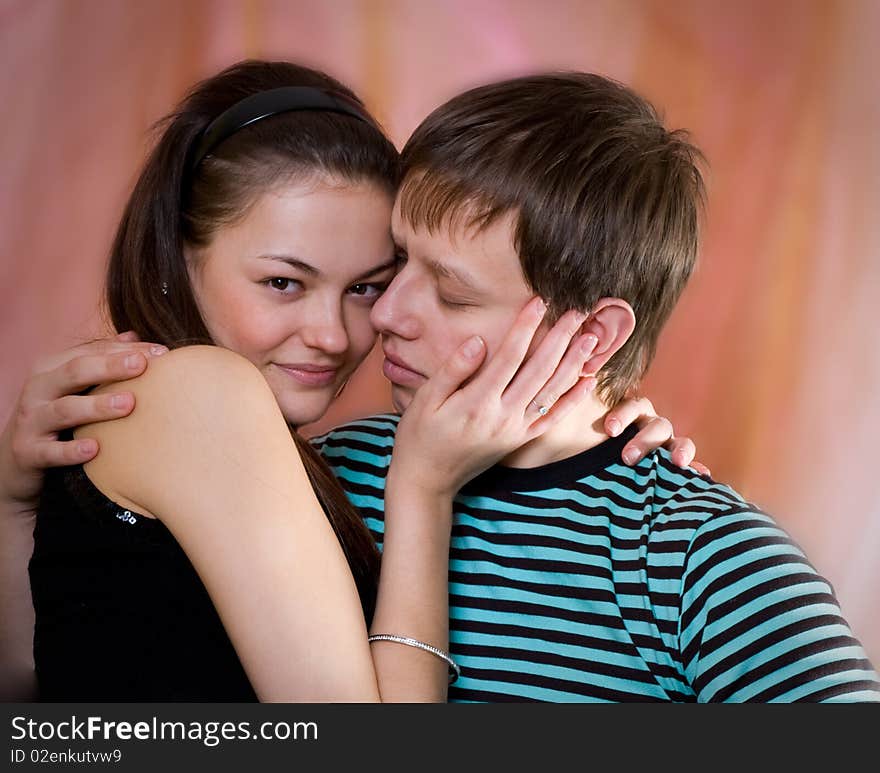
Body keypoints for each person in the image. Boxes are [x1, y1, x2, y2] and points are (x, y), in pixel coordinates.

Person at [0, 61, 689, 701]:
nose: (337, 333)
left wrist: (587, 433)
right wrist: (422, 486)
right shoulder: (199, 393)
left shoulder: (292, 451)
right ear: (177, 261)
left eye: (366, 285)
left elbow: (35, 689)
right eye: (283, 282)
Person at [310, 72, 880, 701]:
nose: (386, 314)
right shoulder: (327, 477)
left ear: (594, 337)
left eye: (452, 294)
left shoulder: (701, 558)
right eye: (397, 260)